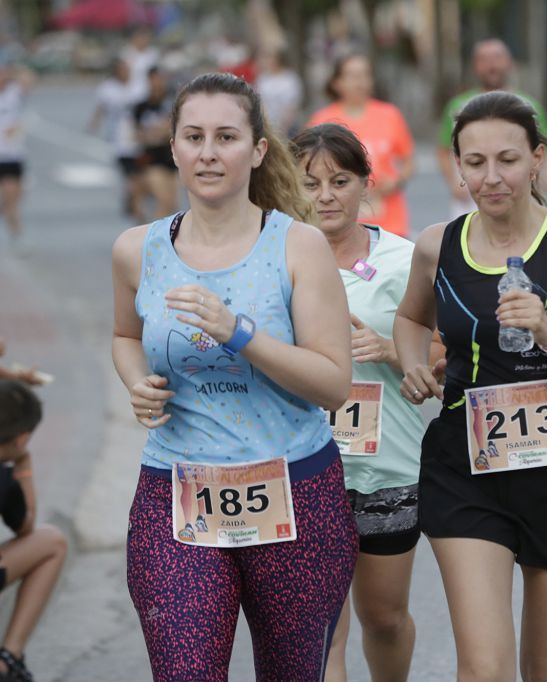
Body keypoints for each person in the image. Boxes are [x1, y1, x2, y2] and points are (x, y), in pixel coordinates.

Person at [112, 72, 358, 681]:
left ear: (257, 150)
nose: (208, 152)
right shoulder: (136, 249)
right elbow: (122, 336)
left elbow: (332, 383)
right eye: (193, 137)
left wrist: (239, 333)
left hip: (295, 491)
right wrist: (136, 382)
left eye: (226, 137)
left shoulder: (298, 246)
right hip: (177, 490)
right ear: (172, 147)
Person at [394, 91, 547, 680]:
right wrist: (412, 365)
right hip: (467, 473)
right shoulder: (438, 245)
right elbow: (410, 319)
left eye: (507, 159)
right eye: (474, 163)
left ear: (537, 160)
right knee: (483, 668)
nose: (491, 177)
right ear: (456, 166)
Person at [292, 123, 444, 682]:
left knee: (382, 616)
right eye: (310, 183)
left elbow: (450, 351)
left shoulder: (407, 260)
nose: (325, 195)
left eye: (340, 180)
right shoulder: (274, 262)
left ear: (366, 185)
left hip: (387, 469)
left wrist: (391, 350)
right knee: (322, 627)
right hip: (305, 470)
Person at [435, 38, 547, 216]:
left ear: (509, 62)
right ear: (475, 66)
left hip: (519, 194)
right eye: (484, 59)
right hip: (470, 199)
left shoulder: (529, 105)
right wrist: (453, 183)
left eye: (497, 57)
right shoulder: (457, 106)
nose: (491, 65)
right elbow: (443, 150)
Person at [0, 381, 68, 682]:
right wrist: (23, 465)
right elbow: (26, 525)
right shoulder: (5, 481)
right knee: (52, 541)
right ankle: (8, 658)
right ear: (22, 438)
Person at [307, 54, 415, 238]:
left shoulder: (390, 115)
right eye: (352, 75)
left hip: (390, 222)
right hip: (341, 224)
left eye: (364, 75)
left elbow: (409, 159)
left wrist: (397, 182)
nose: (359, 82)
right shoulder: (322, 120)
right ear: (336, 82)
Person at [90, 58, 145, 222]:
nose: (127, 72)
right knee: (131, 176)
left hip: (140, 139)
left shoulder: (139, 87)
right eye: (123, 69)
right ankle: (135, 207)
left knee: (141, 176)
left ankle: (132, 200)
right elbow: (101, 108)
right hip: (120, 141)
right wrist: (94, 124)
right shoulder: (107, 89)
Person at [133, 67, 178, 220]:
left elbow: (175, 128)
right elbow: (138, 135)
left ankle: (154, 234)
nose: (157, 83)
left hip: (171, 159)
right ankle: (154, 241)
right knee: (164, 202)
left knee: (172, 205)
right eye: (153, 79)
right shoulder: (141, 106)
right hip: (152, 160)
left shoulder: (172, 103)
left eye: (160, 79)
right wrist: (160, 132)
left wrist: (161, 131)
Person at [0, 54, 33, 257]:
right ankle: (16, 233)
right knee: (9, 198)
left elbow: (29, 78)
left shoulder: (14, 93)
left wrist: (11, 73)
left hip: (14, 154)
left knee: (15, 197)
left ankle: (15, 231)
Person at [256, 49, 303, 138]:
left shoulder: (290, 79)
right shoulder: (263, 78)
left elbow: (292, 104)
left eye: (270, 58)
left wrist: (283, 127)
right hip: (267, 125)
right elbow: (260, 101)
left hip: (287, 126)